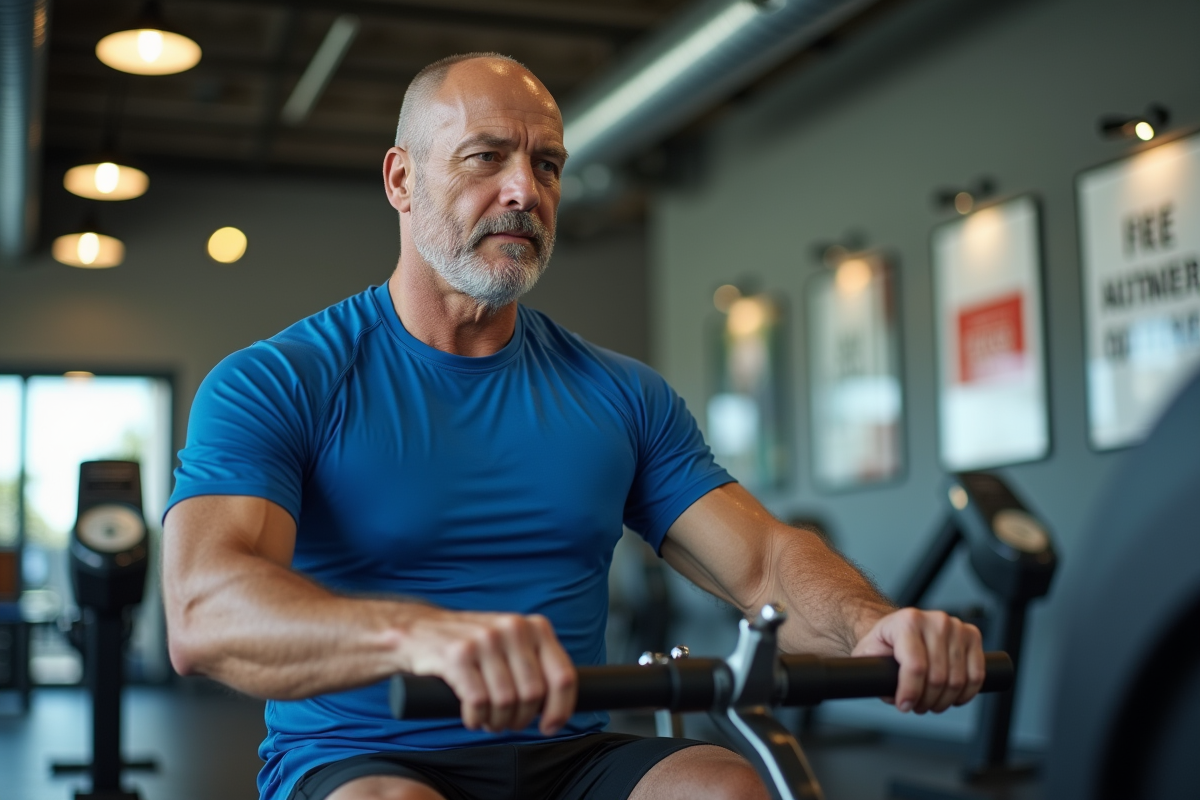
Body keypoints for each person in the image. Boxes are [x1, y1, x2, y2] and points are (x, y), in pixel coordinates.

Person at [162, 53, 985, 800]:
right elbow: (204, 612)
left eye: (547, 164)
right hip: (362, 756)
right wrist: (421, 636)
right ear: (401, 180)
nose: (525, 190)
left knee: (729, 790)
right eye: (487, 156)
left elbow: (765, 564)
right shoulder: (281, 379)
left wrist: (874, 624)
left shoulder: (620, 393)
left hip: (565, 752)